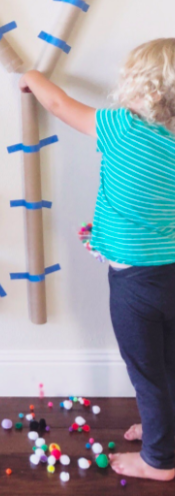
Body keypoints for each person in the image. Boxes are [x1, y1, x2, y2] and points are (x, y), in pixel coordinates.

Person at [20, 38, 175, 482]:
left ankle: (159, 461)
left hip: (135, 286)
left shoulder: (120, 126)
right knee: (167, 363)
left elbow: (58, 102)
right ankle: (162, 429)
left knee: (146, 370)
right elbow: (153, 211)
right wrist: (109, 236)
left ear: (141, 90)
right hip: (168, 274)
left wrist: (29, 77)